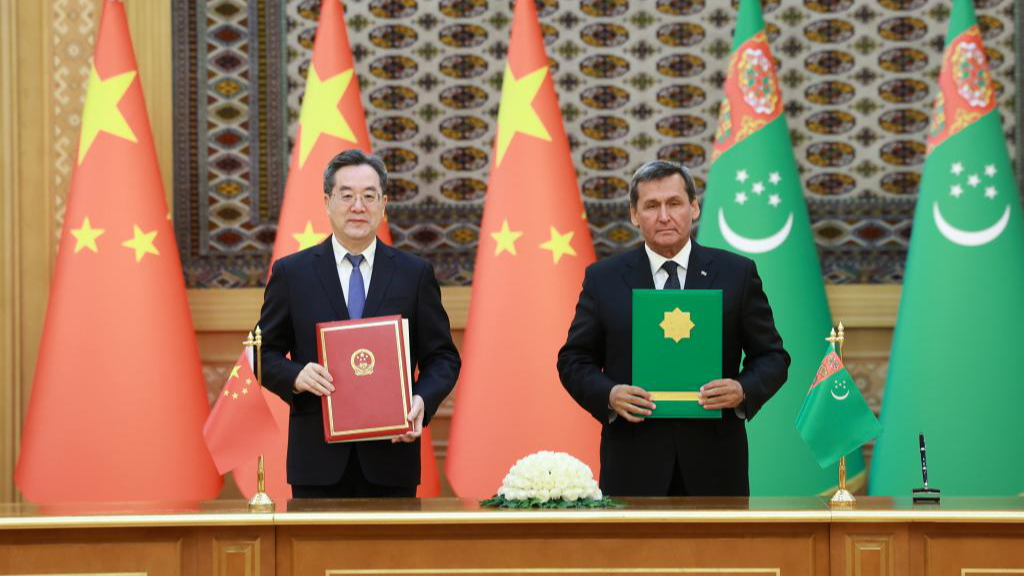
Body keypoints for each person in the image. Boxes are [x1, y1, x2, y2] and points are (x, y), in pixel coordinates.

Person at [557, 160, 790, 497]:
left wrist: (742, 390)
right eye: (651, 206)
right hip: (633, 464)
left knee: (714, 552)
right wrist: (609, 395)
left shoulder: (736, 273)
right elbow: (574, 360)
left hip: (716, 464)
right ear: (635, 215)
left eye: (675, 203)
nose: (664, 216)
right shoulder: (603, 278)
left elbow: (772, 357)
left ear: (693, 208)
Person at [258, 149, 461, 498]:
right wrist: (295, 375)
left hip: (391, 458)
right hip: (317, 461)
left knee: (389, 555)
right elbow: (261, 352)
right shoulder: (292, 274)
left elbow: (442, 358)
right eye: (347, 195)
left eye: (369, 196)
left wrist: (421, 400)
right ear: (327, 201)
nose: (358, 206)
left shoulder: (413, 274)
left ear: (383, 204)